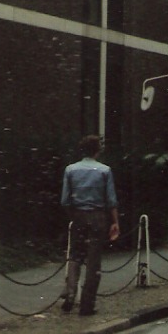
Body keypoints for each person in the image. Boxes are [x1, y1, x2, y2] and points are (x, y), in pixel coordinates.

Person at [60, 135, 120, 315]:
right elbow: (111, 200)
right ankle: (87, 304)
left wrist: (74, 215)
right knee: (94, 262)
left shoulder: (70, 170)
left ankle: (70, 294)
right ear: (97, 150)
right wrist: (115, 221)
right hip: (98, 216)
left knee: (75, 256)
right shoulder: (104, 171)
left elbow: (65, 200)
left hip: (78, 215)